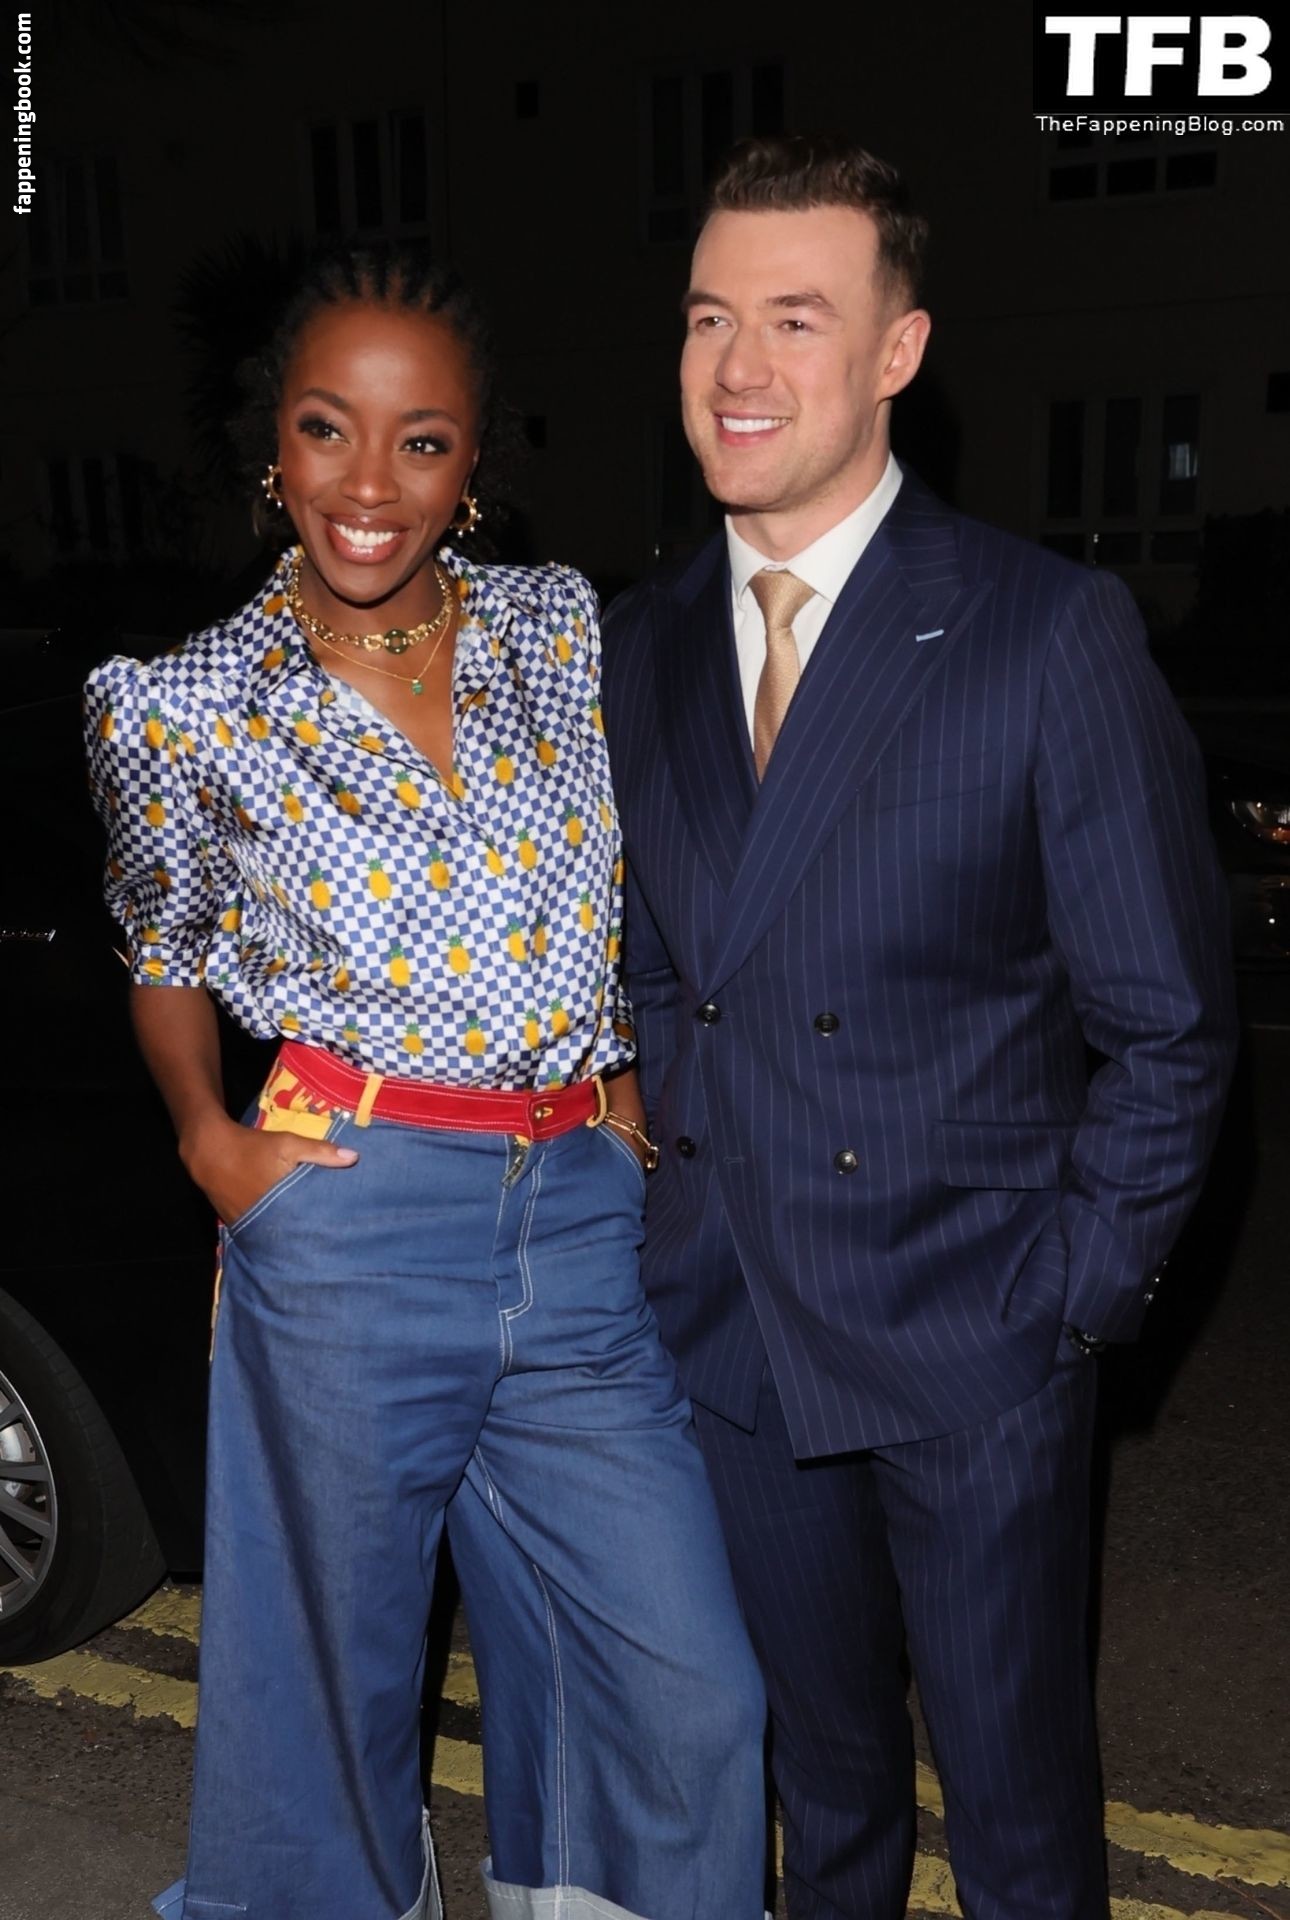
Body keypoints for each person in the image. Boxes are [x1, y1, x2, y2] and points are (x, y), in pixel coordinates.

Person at [83, 240, 766, 1920]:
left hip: (577, 1225)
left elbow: (641, 881)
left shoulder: (560, 630)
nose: (367, 485)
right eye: (327, 429)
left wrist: (619, 1093)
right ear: (274, 447)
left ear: (475, 471)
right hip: (350, 1214)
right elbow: (163, 951)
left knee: (684, 1688)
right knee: (323, 1683)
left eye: (421, 442)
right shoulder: (185, 706)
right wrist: (207, 1141)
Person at [602, 134, 1237, 1920]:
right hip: (737, 1329)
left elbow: (1170, 1028)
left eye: (794, 318)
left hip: (975, 1336)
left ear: (896, 350)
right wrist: (677, 1182)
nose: (737, 367)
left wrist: (1067, 1301)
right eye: (708, 316)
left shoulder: (1043, 629)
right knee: (824, 1793)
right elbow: (657, 962)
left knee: (1019, 1825)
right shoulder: (640, 642)